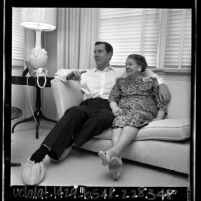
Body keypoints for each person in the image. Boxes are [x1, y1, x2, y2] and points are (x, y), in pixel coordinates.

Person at [22, 42, 171, 185]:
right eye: (95, 51)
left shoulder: (121, 72)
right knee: (74, 111)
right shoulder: (86, 72)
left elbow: (145, 70)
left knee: (106, 117)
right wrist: (69, 75)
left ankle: (71, 141)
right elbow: (59, 73)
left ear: (109, 55)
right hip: (88, 104)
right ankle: (40, 154)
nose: (96, 54)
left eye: (100, 51)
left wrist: (162, 83)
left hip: (108, 107)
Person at [98, 54, 169, 180]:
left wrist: (159, 117)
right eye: (126, 64)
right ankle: (116, 162)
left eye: (130, 64)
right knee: (119, 120)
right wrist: (115, 108)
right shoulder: (121, 82)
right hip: (125, 110)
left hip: (143, 109)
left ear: (140, 67)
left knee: (133, 117)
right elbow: (112, 98)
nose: (126, 67)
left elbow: (160, 101)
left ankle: (112, 153)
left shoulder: (150, 81)